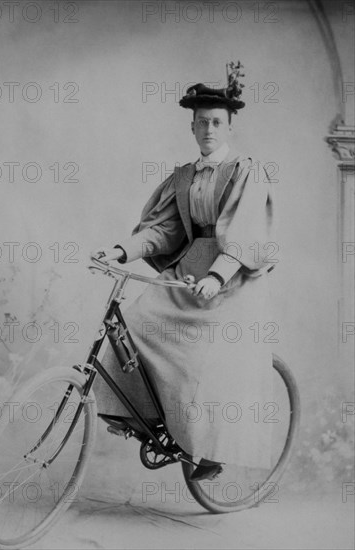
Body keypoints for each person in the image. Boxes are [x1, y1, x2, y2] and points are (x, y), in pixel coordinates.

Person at [91, 64, 276, 481]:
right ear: (192, 128)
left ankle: (212, 451)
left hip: (232, 274)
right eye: (201, 123)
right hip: (192, 265)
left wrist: (217, 276)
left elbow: (246, 232)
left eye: (216, 122)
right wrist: (122, 251)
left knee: (205, 358)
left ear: (229, 127)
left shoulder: (246, 171)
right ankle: (139, 416)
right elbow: (165, 230)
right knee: (136, 320)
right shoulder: (184, 177)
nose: (208, 129)